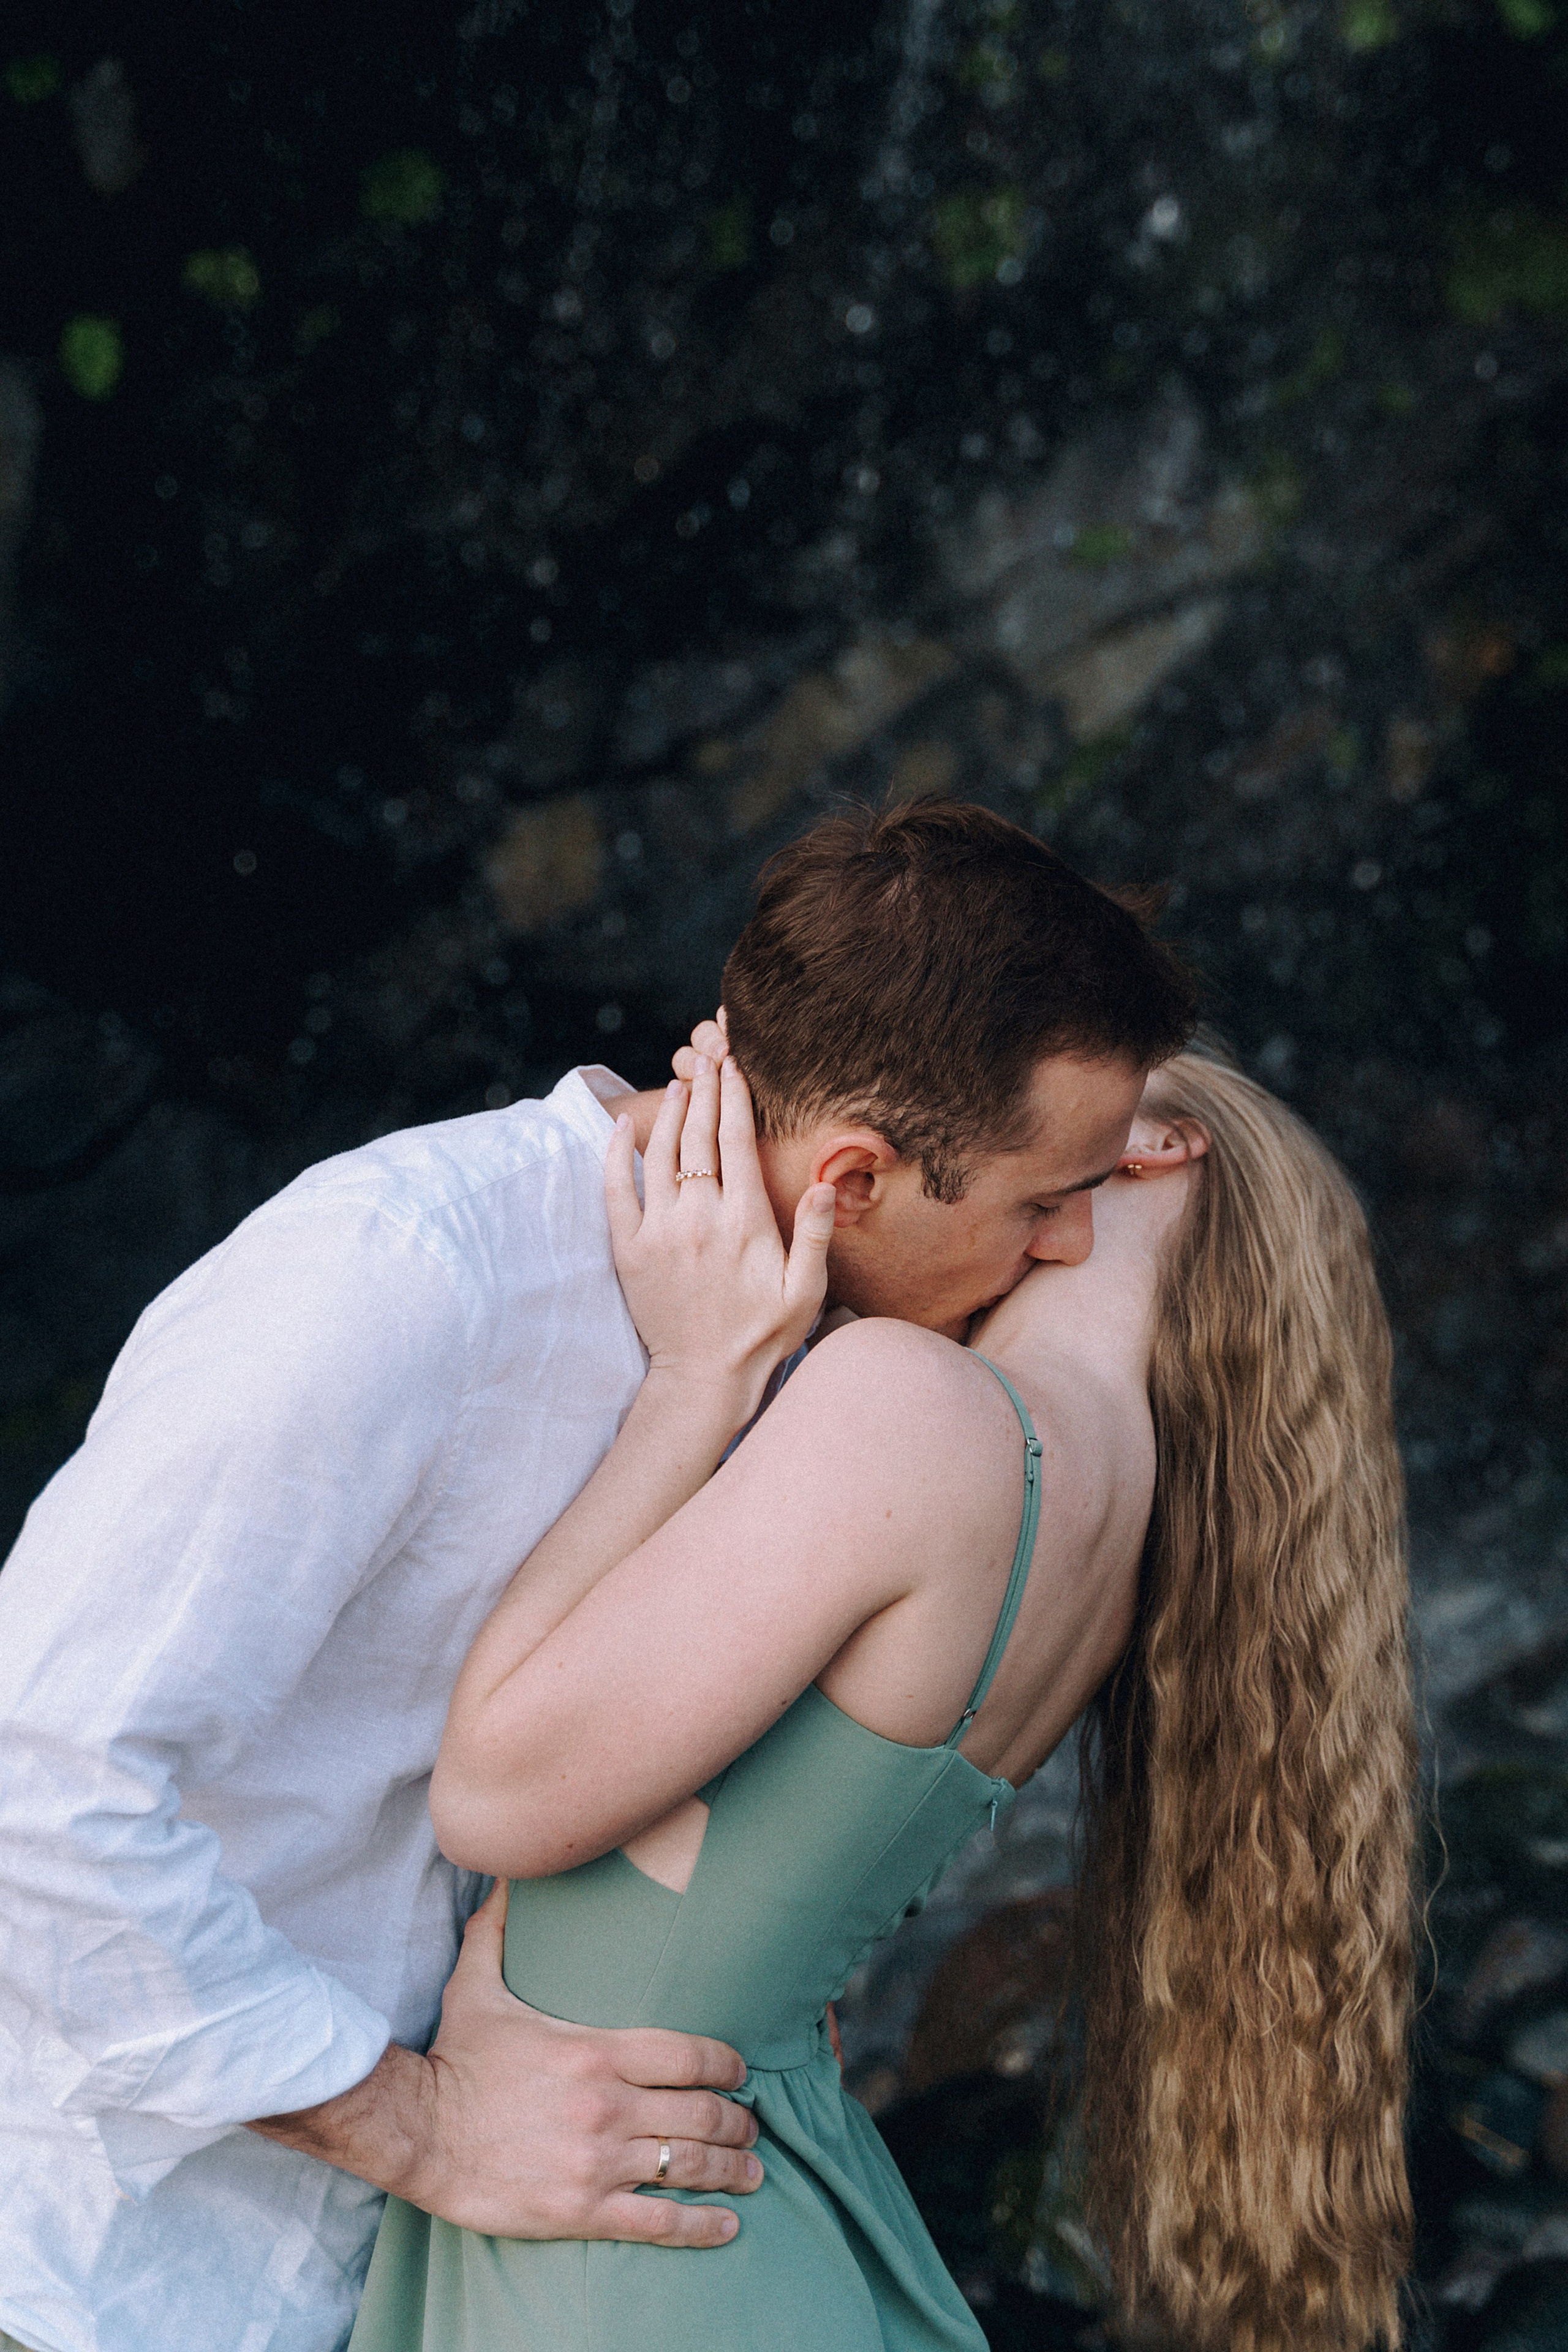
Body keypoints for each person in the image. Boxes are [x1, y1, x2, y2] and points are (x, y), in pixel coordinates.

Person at [0, 802, 1193, 2352]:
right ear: (850, 1176)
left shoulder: (821, 1346)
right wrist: (416, 2126)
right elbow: (41, 1776)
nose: (1063, 1248)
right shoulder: (395, 1279)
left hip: (453, 2275)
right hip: (131, 2278)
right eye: (1046, 1205)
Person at [349, 1046, 1416, 2352]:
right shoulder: (1121, 1531)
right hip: (749, 2187)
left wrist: (698, 1384)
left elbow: (495, 1794)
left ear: (1144, 1145)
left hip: (624, 2236)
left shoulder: (915, 1412)